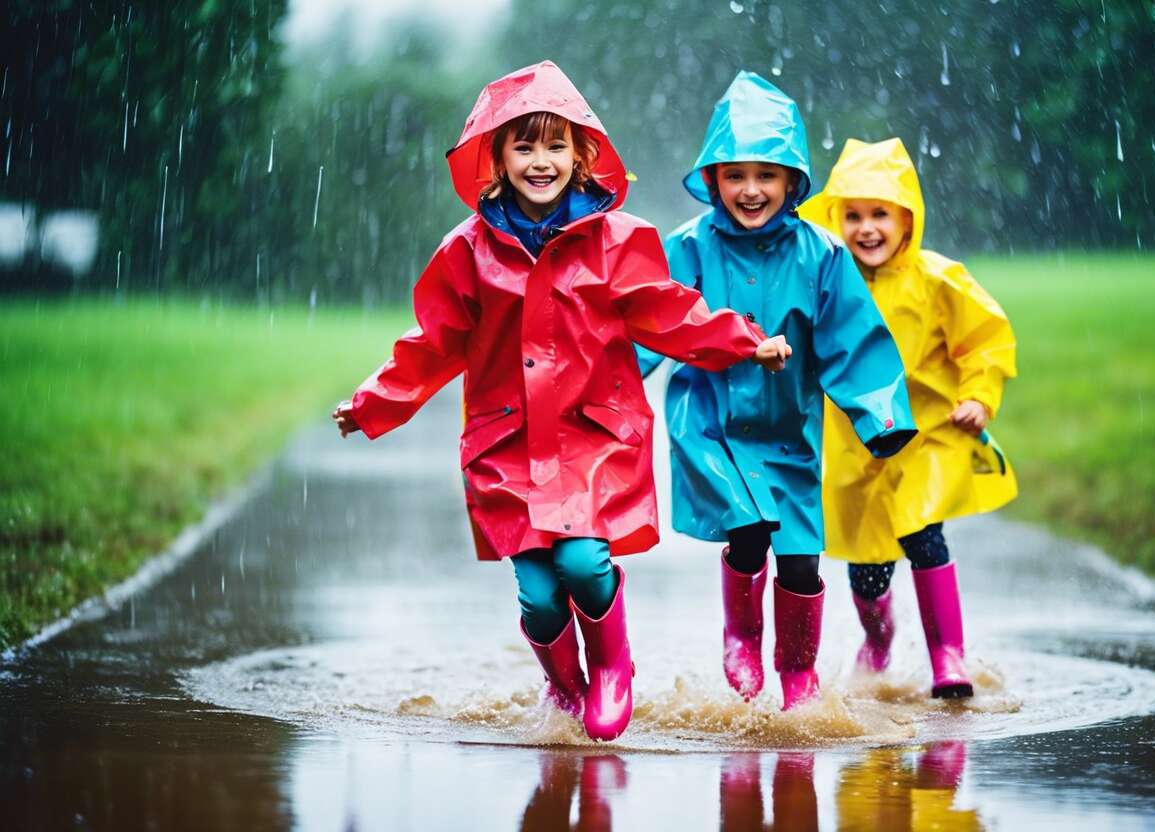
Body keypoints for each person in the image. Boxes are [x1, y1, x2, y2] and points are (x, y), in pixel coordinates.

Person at [331, 61, 791, 741]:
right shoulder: (466, 253)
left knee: (582, 560)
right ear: (497, 156)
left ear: (581, 155)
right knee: (539, 595)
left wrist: (742, 340)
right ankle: (564, 685)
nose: (540, 161)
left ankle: (612, 668)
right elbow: (431, 342)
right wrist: (374, 402)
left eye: (555, 145)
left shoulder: (618, 242)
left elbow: (670, 313)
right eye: (524, 145)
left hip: (590, 436)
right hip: (506, 443)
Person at [636, 72, 916, 711]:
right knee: (749, 533)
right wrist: (601, 390)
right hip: (708, 420)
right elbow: (653, 324)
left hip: (789, 428)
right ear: (712, 179)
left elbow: (853, 337)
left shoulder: (821, 255)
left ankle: (797, 672)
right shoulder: (687, 248)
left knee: (799, 560)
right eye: (735, 174)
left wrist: (879, 414)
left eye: (767, 174)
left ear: (793, 181)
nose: (750, 189)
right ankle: (741, 637)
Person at [801, 137, 1018, 698]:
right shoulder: (828, 281)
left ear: (906, 219)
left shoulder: (939, 279)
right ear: (835, 219)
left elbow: (984, 342)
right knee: (867, 568)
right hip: (857, 445)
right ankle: (878, 641)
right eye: (852, 215)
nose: (866, 228)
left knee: (923, 533)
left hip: (929, 435)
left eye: (879, 214)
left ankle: (949, 659)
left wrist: (979, 396)